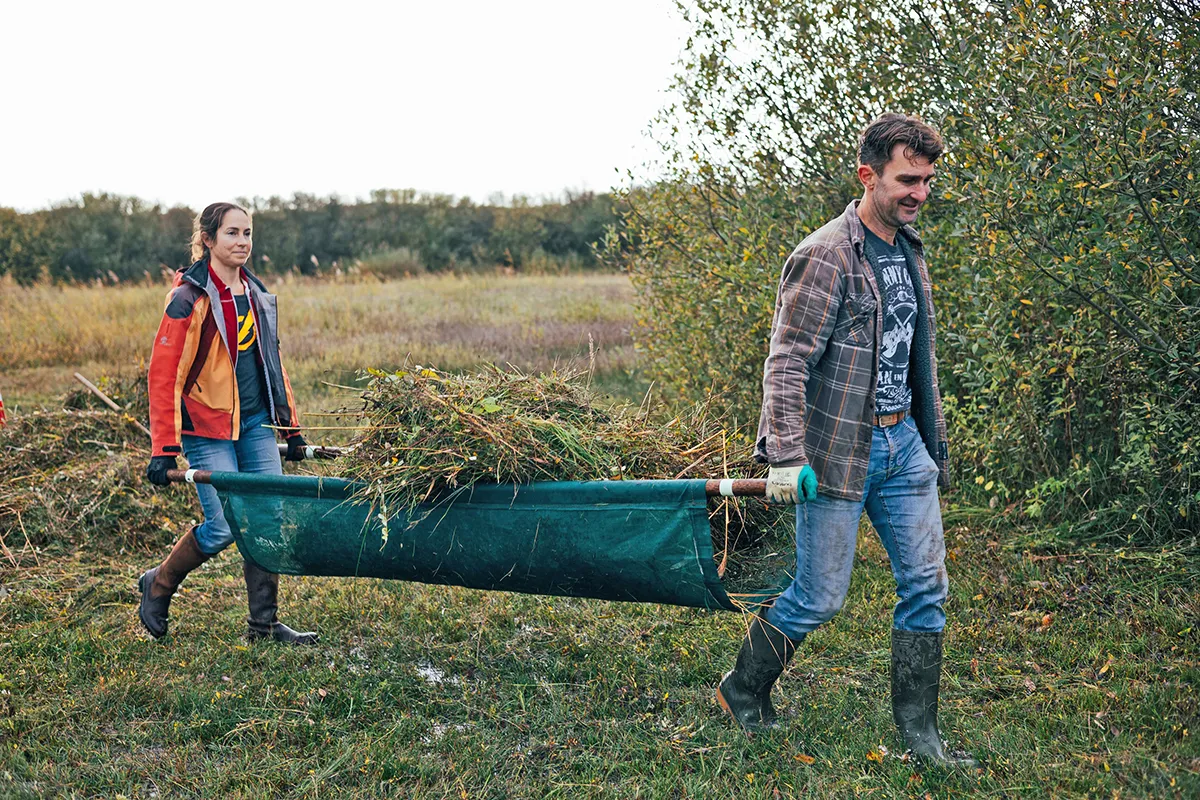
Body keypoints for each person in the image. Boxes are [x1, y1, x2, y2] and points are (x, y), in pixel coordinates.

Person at [716, 114, 976, 766]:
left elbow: (913, 355)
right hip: (836, 453)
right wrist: (787, 453)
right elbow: (787, 360)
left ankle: (922, 737)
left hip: (904, 448)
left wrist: (928, 440)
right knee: (820, 596)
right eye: (907, 180)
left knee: (926, 587)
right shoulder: (826, 253)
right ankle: (743, 688)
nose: (919, 193)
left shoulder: (908, 249)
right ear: (868, 174)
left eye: (927, 181)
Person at [138, 201, 316, 645]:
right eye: (233, 233)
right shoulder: (189, 298)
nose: (243, 242)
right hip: (206, 425)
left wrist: (289, 428)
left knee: (268, 520)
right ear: (208, 240)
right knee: (223, 526)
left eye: (248, 233)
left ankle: (264, 626)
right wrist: (163, 447)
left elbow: (272, 362)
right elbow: (164, 375)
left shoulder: (255, 292)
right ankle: (158, 584)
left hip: (254, 423)